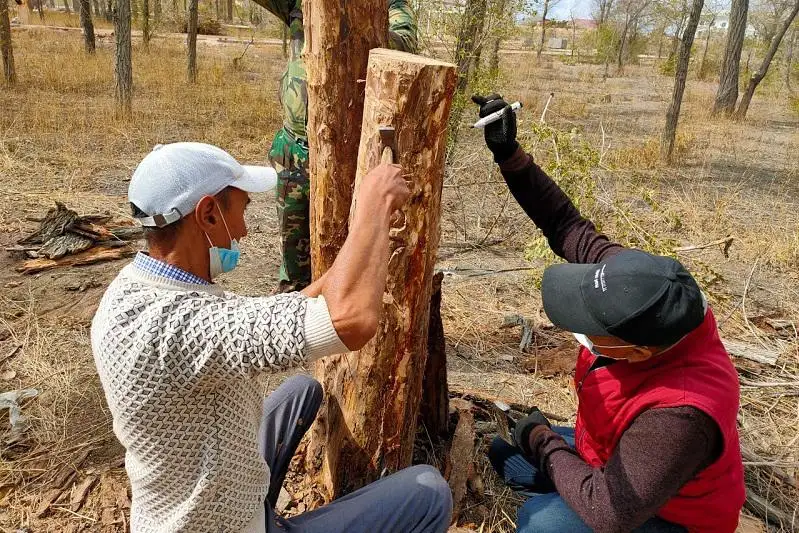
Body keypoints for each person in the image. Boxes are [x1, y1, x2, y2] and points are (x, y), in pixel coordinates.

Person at [91, 142, 452, 533]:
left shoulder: (137, 290)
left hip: (195, 484)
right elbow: (354, 322)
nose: (244, 230)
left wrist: (357, 247)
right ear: (208, 213)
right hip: (220, 523)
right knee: (430, 492)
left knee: (301, 390)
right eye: (242, 210)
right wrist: (374, 211)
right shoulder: (182, 326)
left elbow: (287, 311)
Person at [471, 95, 746, 533]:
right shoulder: (642, 287)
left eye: (592, 327)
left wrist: (543, 444)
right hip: (618, 456)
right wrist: (510, 156)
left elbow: (609, 512)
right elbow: (565, 225)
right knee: (516, 451)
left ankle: (546, 479)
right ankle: (550, 465)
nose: (580, 330)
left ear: (638, 351)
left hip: (671, 518)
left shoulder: (679, 417)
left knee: (540, 523)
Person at [259, 0, 418, 293]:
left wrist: (348, 18)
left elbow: (404, 42)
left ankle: (336, 318)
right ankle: (292, 304)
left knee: (343, 249)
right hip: (294, 150)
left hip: (345, 155)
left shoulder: (390, 5)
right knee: (294, 254)